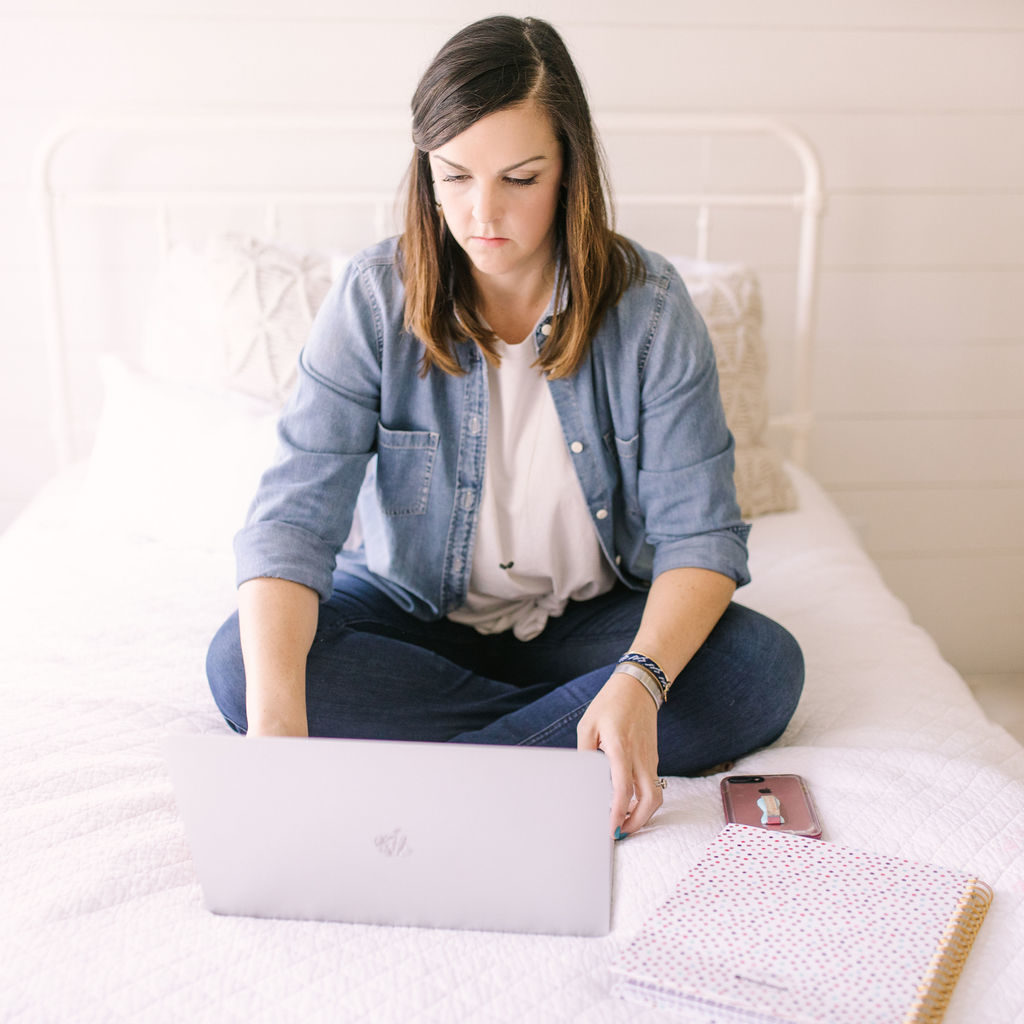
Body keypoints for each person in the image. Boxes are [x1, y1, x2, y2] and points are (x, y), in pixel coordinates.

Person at [206, 14, 804, 840]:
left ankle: (464, 778)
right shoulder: (374, 296)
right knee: (243, 666)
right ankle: (552, 756)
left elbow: (700, 539)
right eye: (453, 177)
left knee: (758, 668)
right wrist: (277, 737)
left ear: (569, 171)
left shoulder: (653, 311)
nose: (480, 213)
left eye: (519, 179)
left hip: (587, 626)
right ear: (425, 173)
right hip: (409, 616)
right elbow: (291, 520)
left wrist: (638, 679)